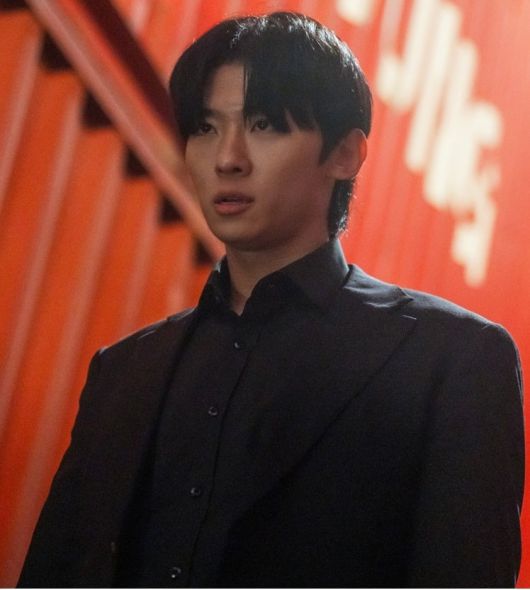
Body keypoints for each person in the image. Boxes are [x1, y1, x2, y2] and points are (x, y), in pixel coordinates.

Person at [18, 11, 524, 588]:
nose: (227, 158)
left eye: (263, 125)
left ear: (345, 154)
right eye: (205, 128)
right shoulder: (124, 370)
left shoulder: (453, 360)